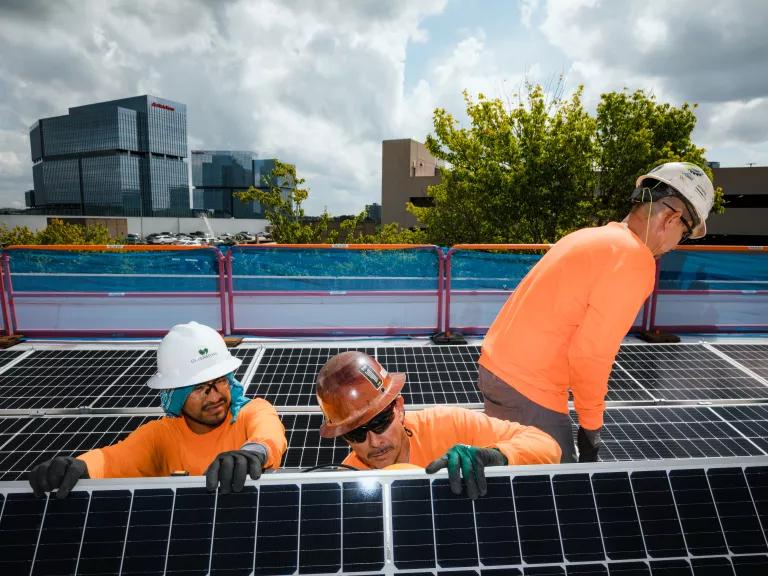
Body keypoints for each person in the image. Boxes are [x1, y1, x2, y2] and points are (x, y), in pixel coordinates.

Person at [478, 162, 716, 463]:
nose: (674, 245)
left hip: (499, 371)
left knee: (515, 485)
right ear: (671, 218)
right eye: (683, 234)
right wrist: (591, 427)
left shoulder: (591, 237)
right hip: (529, 389)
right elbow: (590, 354)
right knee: (553, 491)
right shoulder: (634, 260)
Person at [28, 321, 287, 498]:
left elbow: (268, 436)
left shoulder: (251, 412)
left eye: (220, 381)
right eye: (198, 388)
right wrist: (79, 466)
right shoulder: (160, 436)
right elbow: (113, 459)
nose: (215, 395)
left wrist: (252, 454)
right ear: (175, 396)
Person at [315, 351, 561, 499]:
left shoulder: (449, 424)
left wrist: (497, 457)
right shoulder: (349, 481)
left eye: (380, 423)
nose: (374, 441)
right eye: (356, 434)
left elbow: (547, 446)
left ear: (399, 409)